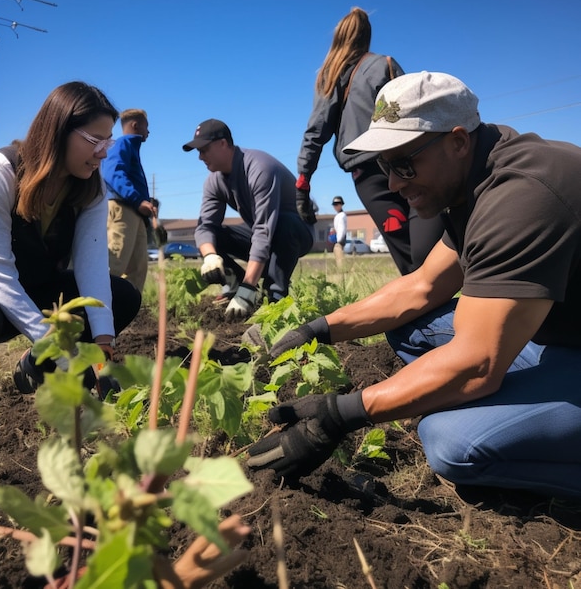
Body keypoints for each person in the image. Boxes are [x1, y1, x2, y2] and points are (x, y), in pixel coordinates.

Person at [248, 71, 581, 499]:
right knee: (412, 325)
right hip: (561, 338)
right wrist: (316, 329)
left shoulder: (522, 196)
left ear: (458, 141)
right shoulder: (473, 179)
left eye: (404, 163)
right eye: (384, 166)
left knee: (452, 442)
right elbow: (422, 287)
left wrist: (341, 414)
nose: (393, 184)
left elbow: (478, 364)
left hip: (567, 348)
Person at [0, 81, 142, 415]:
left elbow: (92, 267)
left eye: (108, 141)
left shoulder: (89, 187)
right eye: (94, 141)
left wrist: (102, 351)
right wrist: (62, 351)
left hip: (35, 285)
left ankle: (35, 367)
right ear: (58, 132)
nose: (104, 152)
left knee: (122, 296)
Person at [296, 7, 444, 275]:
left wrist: (303, 183)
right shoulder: (384, 65)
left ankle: (424, 304)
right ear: (367, 36)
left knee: (407, 254)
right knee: (429, 243)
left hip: (368, 173)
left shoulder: (328, 76)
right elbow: (412, 111)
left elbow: (316, 131)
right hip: (406, 162)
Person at [182, 119, 314, 321]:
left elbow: (264, 229)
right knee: (213, 236)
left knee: (283, 225)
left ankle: (275, 300)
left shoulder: (259, 168)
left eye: (204, 149)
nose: (200, 157)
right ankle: (234, 282)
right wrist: (210, 256)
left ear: (223, 143)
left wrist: (249, 285)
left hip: (297, 230)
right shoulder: (213, 181)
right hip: (265, 231)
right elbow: (205, 227)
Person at [102, 108, 158, 293]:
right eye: (146, 126)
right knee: (114, 262)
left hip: (134, 212)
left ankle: (124, 312)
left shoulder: (131, 147)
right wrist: (137, 200)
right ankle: (91, 311)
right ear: (135, 125)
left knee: (138, 268)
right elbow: (112, 172)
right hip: (123, 208)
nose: (148, 131)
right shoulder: (123, 143)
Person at [331, 195, 347, 267]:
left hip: (340, 239)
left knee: (339, 254)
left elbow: (342, 228)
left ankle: (341, 270)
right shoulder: (338, 215)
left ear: (341, 204)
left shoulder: (342, 215)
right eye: (334, 204)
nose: (335, 206)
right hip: (338, 238)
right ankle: (340, 269)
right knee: (337, 254)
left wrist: (339, 240)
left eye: (337, 204)